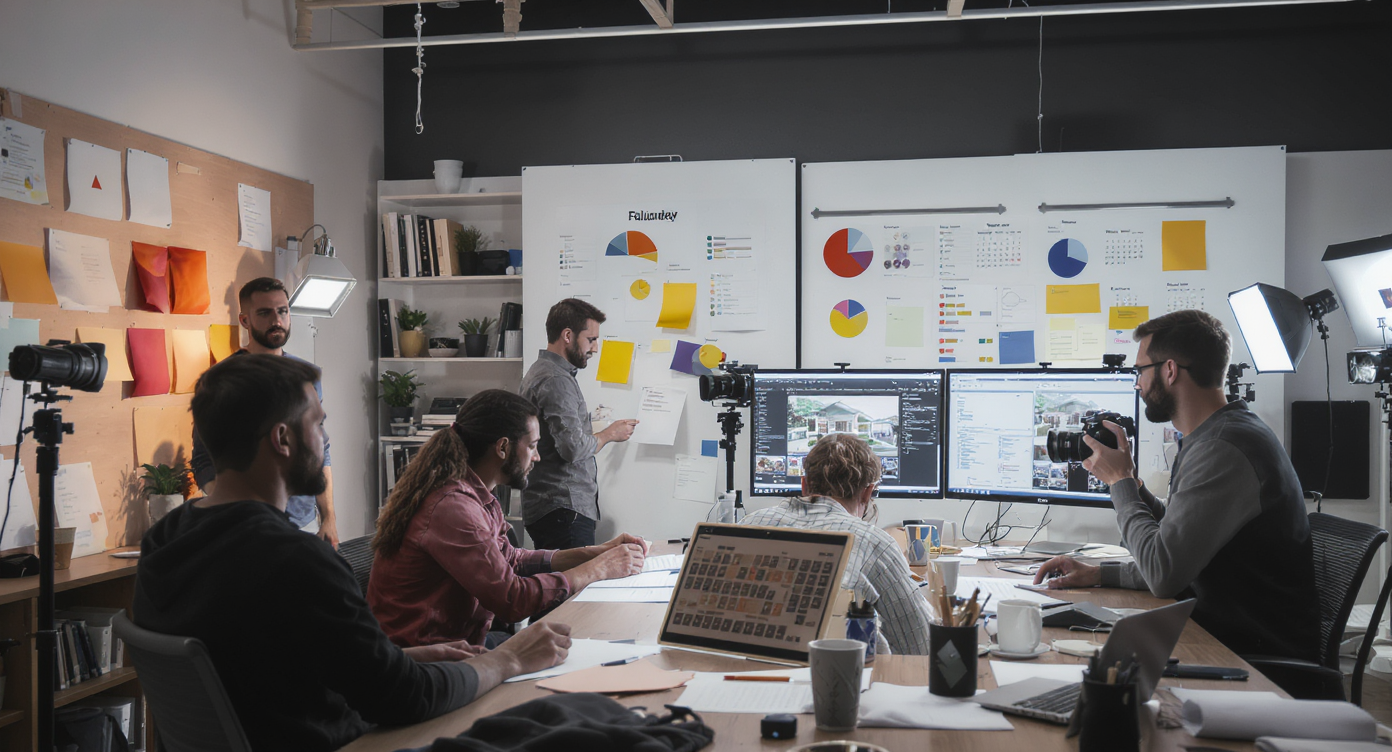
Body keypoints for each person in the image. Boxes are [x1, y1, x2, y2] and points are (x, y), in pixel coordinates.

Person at [134, 355, 572, 752]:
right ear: (283, 439)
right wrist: (508, 658)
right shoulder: (298, 560)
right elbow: (406, 699)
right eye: (319, 424)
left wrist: (401, 657)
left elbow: (263, 663)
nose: (325, 441)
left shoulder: (165, 539)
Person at [1033, 309, 1320, 661]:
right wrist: (1098, 571)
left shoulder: (1223, 448)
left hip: (1248, 656)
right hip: (1220, 630)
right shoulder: (1220, 434)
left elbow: (1164, 573)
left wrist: (1120, 481)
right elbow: (1180, 547)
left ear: (1169, 370)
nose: (1136, 382)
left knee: (1075, 662)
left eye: (1139, 370)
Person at [368, 389, 649, 648]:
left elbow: (511, 559)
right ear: (503, 447)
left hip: (459, 642)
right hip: (423, 660)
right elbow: (512, 599)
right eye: (533, 446)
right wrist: (596, 570)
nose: (537, 457)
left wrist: (594, 553)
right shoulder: (452, 508)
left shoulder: (477, 496)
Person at [741, 434, 932, 656]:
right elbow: (920, 647)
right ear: (867, 493)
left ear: (804, 485)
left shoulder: (749, 524)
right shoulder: (874, 543)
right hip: (840, 675)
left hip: (745, 673)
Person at [190, 277, 339, 547]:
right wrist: (238, 511)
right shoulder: (221, 380)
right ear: (245, 321)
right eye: (265, 312)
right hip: (247, 527)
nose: (277, 320)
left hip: (302, 523)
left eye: (282, 311)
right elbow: (203, 459)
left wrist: (328, 517)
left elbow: (321, 450)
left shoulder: (306, 377)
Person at [520, 298, 639, 550]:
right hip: (563, 508)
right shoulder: (555, 380)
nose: (595, 348)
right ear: (567, 335)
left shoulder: (542, 371)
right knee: (573, 588)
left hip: (555, 508)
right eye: (591, 339)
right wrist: (608, 434)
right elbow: (572, 449)